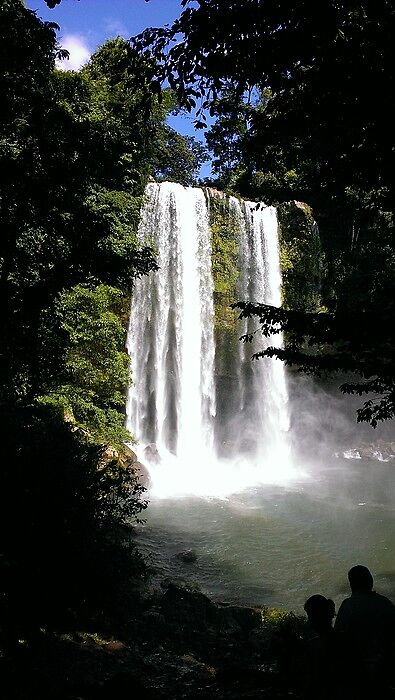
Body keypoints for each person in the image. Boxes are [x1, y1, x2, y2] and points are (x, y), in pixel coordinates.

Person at [335, 565, 395, 697]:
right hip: (383, 668)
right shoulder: (384, 603)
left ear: (351, 584)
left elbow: (338, 639)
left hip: (356, 671)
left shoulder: (348, 605)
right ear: (370, 581)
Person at [303, 594, 337, 698]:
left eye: (309, 615)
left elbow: (313, 681)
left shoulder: (314, 646)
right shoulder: (345, 639)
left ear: (314, 617)